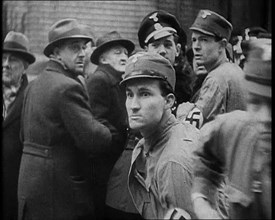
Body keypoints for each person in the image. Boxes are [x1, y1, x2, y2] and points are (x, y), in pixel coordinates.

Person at [18, 18, 112, 220]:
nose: (82, 54)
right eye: (74, 48)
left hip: (30, 188)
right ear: (55, 52)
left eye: (83, 47)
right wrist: (110, 126)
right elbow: (94, 139)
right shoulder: (67, 87)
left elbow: (22, 137)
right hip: (59, 194)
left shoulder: (34, 85)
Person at [191, 38, 271, 219]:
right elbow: (205, 153)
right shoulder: (236, 128)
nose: (265, 118)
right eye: (256, 103)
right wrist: (201, 199)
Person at [120, 52, 200, 219]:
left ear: (169, 101)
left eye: (145, 94)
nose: (133, 106)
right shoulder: (157, 138)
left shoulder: (173, 163)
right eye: (129, 94)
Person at [86, 30, 135, 220]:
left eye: (125, 53)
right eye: (117, 52)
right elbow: (96, 120)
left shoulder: (118, 81)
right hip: (103, 164)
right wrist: (121, 140)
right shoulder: (100, 80)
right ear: (103, 59)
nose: (124, 56)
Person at [177, 9, 247, 129]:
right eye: (194, 40)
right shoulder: (233, 70)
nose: (196, 47)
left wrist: (182, 113)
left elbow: (189, 130)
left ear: (222, 45)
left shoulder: (217, 78)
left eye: (204, 40)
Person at [2, 31, 35, 220]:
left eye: (12, 60)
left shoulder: (32, 96)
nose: (5, 64)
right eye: (3, 58)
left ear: (25, 66)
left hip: (15, 184)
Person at [138, 10, 196, 105]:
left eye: (167, 45)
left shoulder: (189, 86)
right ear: (146, 51)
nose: (162, 51)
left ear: (177, 50)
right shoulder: (136, 83)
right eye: (155, 45)